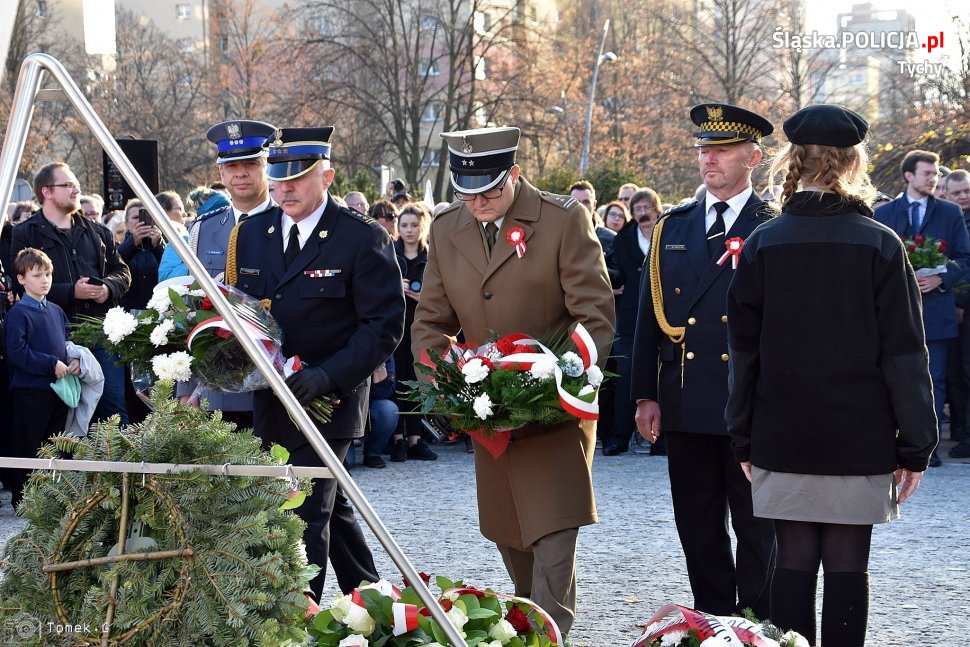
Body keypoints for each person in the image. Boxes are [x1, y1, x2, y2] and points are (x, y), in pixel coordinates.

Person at [726, 104, 937, 647]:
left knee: (792, 562)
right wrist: (916, 446)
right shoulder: (880, 244)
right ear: (851, 162)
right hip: (858, 432)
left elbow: (743, 353)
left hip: (782, 429)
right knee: (848, 565)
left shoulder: (762, 244)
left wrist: (743, 434)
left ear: (792, 160)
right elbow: (905, 355)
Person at [410, 126, 614, 636]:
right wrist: (449, 386)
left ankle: (548, 636)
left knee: (553, 535)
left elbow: (593, 313)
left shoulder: (563, 219)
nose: (478, 200)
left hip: (552, 408)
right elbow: (431, 324)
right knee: (512, 537)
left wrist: (554, 379)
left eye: (490, 189)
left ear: (515, 175)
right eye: (466, 189)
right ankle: (526, 629)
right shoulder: (447, 229)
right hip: (489, 416)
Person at [227, 126, 404, 601]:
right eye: (278, 178)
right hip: (272, 397)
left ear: (326, 177)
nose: (284, 188)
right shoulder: (252, 235)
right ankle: (368, 600)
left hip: (331, 399)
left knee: (303, 510)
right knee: (328, 501)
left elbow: (383, 326)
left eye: (297, 179)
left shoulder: (360, 238)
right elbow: (241, 311)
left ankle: (295, 620)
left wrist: (329, 376)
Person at [630, 103, 777, 618]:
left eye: (722, 151)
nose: (708, 160)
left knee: (758, 523)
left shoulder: (774, 225)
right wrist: (645, 392)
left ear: (753, 158)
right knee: (697, 521)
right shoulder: (675, 226)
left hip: (752, 401)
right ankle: (713, 616)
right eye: (703, 151)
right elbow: (648, 318)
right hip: (688, 397)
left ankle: (757, 621)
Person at [163, 120, 278, 430]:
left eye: (251, 163)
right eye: (232, 165)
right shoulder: (204, 228)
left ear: (266, 166)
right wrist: (186, 389)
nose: (241, 173)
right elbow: (190, 308)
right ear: (221, 173)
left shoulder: (288, 223)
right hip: (217, 385)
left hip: (276, 381)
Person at [11, 163, 132, 425]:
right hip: (53, 337)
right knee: (61, 415)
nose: (76, 189)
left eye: (76, 184)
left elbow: (122, 271)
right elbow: (21, 283)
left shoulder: (98, 231)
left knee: (112, 409)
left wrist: (107, 288)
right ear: (47, 191)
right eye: (67, 185)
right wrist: (71, 292)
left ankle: (118, 466)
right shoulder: (25, 233)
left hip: (102, 332)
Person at [874, 151, 970, 468]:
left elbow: (964, 258)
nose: (933, 179)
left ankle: (928, 446)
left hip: (937, 307)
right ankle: (894, 439)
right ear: (908, 176)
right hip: (895, 310)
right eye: (927, 173)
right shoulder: (886, 213)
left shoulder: (950, 212)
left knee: (936, 378)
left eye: (935, 174)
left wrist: (940, 278)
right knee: (895, 375)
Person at [4, 248, 80, 507]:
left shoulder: (56, 311)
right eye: (37, 275)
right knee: (29, 444)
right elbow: (16, 352)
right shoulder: (18, 314)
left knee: (55, 443)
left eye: (47, 274)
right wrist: (50, 364)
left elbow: (66, 342)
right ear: (22, 279)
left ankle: (51, 499)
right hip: (30, 391)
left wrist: (75, 359)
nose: (44, 280)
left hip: (57, 390)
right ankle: (24, 499)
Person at [602, 188, 661, 457]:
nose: (642, 212)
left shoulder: (668, 231)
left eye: (646, 207)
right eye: (637, 208)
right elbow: (618, 273)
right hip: (630, 317)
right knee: (625, 378)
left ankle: (662, 440)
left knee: (663, 379)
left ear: (656, 208)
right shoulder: (624, 238)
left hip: (663, 315)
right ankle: (618, 437)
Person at [390, 202, 436, 462]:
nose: (409, 230)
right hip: (396, 327)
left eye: (414, 225)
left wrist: (420, 296)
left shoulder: (430, 258)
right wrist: (399, 289)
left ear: (422, 227)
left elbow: (440, 297)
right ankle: (397, 439)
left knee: (417, 382)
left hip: (420, 327)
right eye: (404, 225)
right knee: (396, 381)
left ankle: (415, 439)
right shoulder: (390, 255)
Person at [117, 199, 164, 310]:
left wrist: (157, 245)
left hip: (157, 309)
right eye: (135, 218)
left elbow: (168, 268)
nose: (140, 222)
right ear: (126, 224)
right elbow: (114, 263)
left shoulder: (161, 244)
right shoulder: (117, 246)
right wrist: (133, 243)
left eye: (145, 217)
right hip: (127, 312)